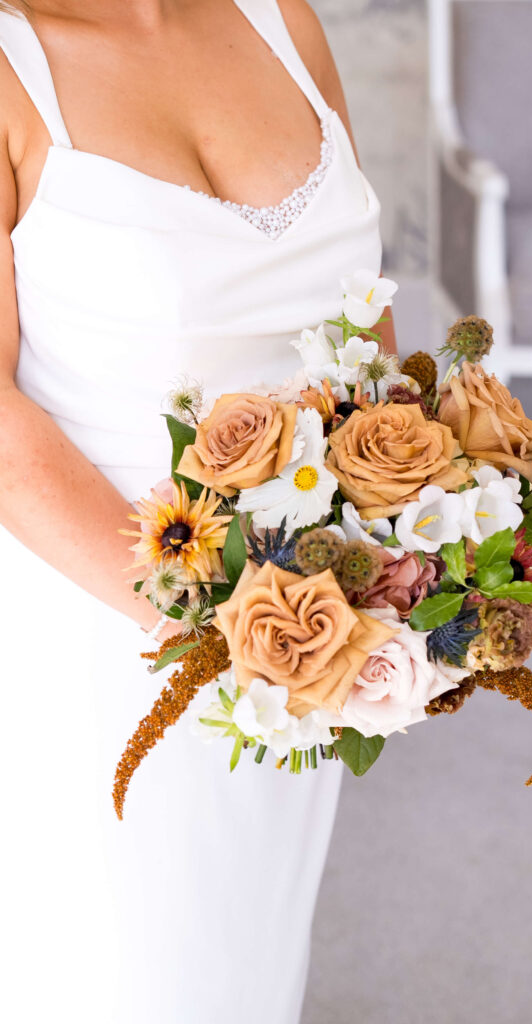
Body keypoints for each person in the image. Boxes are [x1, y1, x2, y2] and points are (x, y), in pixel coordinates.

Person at [0, 2, 396, 1021]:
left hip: (305, 623)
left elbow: (364, 311)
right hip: (108, 629)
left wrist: (407, 527)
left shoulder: (281, 19)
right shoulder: (14, 66)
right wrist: (218, 630)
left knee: (248, 958)